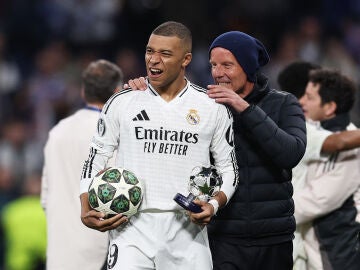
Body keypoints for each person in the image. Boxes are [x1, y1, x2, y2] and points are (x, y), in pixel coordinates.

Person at [79, 21, 238, 270]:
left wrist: (215, 203)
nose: (153, 60)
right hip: (130, 228)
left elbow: (229, 169)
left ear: (186, 59)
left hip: (187, 233)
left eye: (165, 54)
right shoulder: (122, 101)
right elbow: (96, 156)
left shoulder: (212, 107)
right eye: (149, 51)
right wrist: (85, 202)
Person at [205, 31, 306, 270]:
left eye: (227, 65)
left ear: (249, 67)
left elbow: (290, 153)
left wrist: (244, 108)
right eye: (213, 65)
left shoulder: (284, 103)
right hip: (224, 238)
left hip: (274, 240)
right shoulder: (206, 108)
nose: (218, 73)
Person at [41, 59, 124, 270]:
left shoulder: (57, 131)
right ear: (117, 92)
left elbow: (45, 197)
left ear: (83, 92)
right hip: (102, 249)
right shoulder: (116, 133)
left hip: (61, 250)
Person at [278, 60, 360, 270]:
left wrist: (269, 210)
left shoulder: (351, 148)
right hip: (310, 247)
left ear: (330, 107)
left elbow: (319, 199)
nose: (302, 102)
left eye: (310, 97)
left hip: (338, 249)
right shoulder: (305, 131)